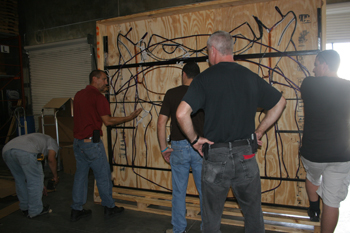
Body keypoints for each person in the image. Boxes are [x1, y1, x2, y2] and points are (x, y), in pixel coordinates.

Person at [176, 31, 286, 233]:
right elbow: (280, 102)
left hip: (215, 156)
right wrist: (259, 131)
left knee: (211, 219)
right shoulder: (250, 76)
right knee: (253, 214)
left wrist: (195, 140)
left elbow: (182, 114)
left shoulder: (204, 79)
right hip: (246, 153)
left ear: (213, 50)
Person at [71, 70, 142, 222]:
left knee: (80, 177)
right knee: (103, 175)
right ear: (94, 79)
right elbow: (107, 121)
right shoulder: (98, 97)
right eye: (103, 79)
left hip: (78, 144)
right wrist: (129, 117)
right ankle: (109, 208)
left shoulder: (78, 95)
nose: (106, 82)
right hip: (92, 144)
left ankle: (76, 210)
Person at [300, 50, 350, 233]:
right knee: (332, 201)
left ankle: (314, 209)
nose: (314, 69)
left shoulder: (308, 84)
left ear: (325, 64)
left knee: (313, 178)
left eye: (316, 64)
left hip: (314, 152)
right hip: (341, 154)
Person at [157, 62, 204, 233]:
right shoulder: (203, 92)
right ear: (198, 76)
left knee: (179, 192)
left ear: (183, 74)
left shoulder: (172, 93)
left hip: (178, 146)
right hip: (200, 147)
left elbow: (161, 122)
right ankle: (208, 228)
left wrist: (164, 148)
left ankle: (179, 230)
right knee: (204, 191)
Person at [2, 133, 59, 218]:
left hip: (6, 150)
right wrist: (55, 176)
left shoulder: (38, 137)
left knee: (20, 180)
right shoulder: (53, 142)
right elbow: (51, 159)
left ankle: (25, 208)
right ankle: (35, 210)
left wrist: (41, 184)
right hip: (26, 151)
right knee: (35, 181)